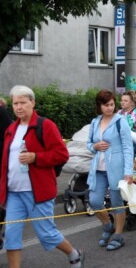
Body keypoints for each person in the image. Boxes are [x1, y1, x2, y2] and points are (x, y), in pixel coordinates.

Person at [1, 85, 84, 267]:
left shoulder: (45, 125)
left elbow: (62, 154)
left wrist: (35, 157)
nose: (19, 107)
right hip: (14, 192)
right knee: (11, 235)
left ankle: (74, 254)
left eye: (23, 102)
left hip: (37, 191)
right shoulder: (11, 129)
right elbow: (5, 162)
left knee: (47, 234)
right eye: (15, 103)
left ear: (32, 103)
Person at [87, 89, 134, 251]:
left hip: (116, 168)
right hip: (98, 169)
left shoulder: (120, 121)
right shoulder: (95, 122)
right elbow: (88, 144)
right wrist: (94, 146)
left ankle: (119, 236)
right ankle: (107, 225)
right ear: (99, 106)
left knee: (116, 203)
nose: (109, 108)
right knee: (94, 201)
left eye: (112, 105)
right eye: (106, 105)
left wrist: (128, 171)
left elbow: (128, 147)